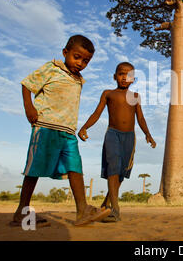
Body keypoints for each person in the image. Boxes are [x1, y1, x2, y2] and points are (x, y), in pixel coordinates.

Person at [11, 35, 111, 227]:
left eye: (86, 61)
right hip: (47, 127)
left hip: (68, 132)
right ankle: (21, 212)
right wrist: (29, 107)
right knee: (34, 169)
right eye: (76, 57)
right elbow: (26, 84)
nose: (81, 63)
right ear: (65, 53)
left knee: (75, 167)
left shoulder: (79, 79)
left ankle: (82, 210)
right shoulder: (52, 68)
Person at [78, 62, 156, 221]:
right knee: (113, 166)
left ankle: (106, 204)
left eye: (129, 75)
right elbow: (97, 113)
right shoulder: (108, 94)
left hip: (129, 137)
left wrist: (148, 134)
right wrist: (84, 127)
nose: (124, 77)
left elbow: (140, 118)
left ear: (133, 79)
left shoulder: (135, 97)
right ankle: (115, 209)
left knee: (120, 172)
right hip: (112, 134)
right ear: (115, 76)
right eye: (121, 74)